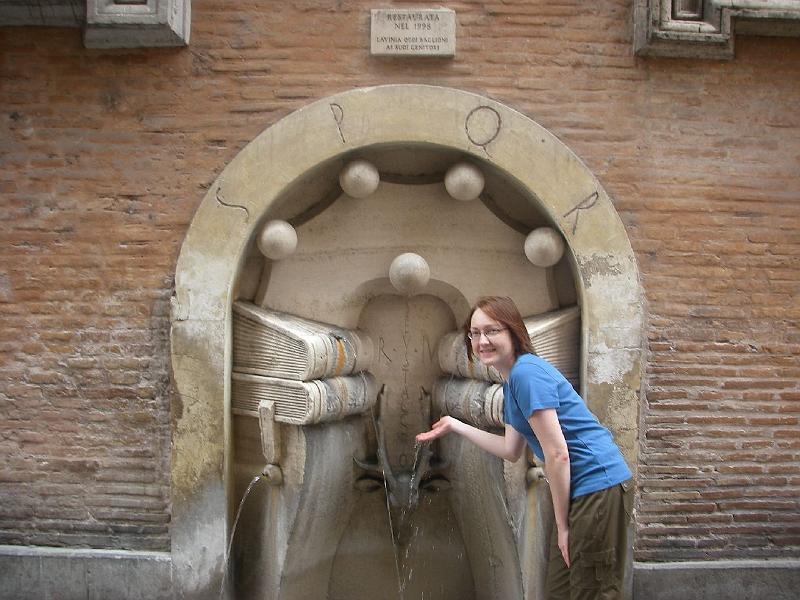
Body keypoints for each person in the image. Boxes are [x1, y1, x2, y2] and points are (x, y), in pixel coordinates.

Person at [416, 296, 633, 600]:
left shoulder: (526, 375)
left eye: (492, 331)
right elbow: (511, 449)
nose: (482, 341)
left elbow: (558, 453)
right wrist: (455, 425)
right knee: (559, 592)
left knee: (593, 590)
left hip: (598, 487)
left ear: (513, 332)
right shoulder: (510, 382)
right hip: (580, 492)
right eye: (475, 333)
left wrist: (562, 526)